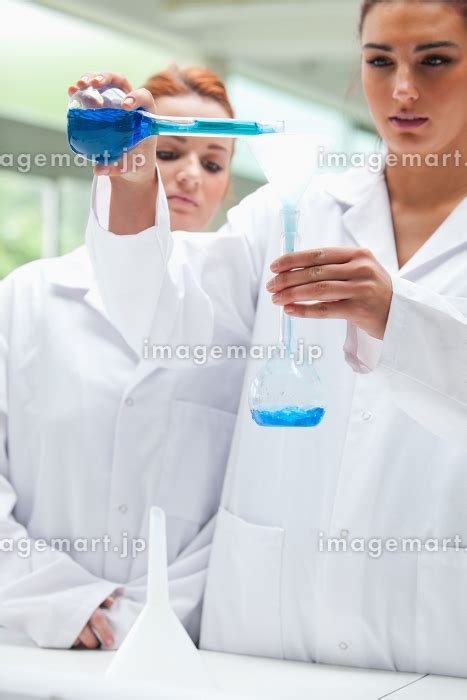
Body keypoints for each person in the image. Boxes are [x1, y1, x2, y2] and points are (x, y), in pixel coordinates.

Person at [86, 0, 467, 677]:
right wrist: (132, 175)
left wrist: (395, 317)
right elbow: (159, 319)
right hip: (269, 631)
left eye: (434, 60)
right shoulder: (292, 208)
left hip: (434, 630)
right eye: (379, 62)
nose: (401, 89)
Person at [0, 66, 242, 651]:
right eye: (168, 150)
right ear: (122, 150)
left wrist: (150, 618)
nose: (189, 173)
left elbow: (245, 503)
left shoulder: (245, 324)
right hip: (27, 637)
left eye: (213, 162)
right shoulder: (26, 297)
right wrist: (56, 599)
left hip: (181, 648)